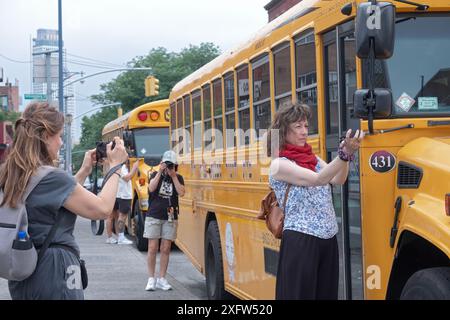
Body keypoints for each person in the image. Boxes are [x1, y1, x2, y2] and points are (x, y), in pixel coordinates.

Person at [0, 102, 128, 300]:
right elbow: (102, 209)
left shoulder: (13, 173)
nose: (60, 143)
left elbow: (58, 200)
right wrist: (116, 166)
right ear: (45, 137)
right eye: (59, 136)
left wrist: (84, 171)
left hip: (25, 270)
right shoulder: (51, 178)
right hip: (55, 269)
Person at [268, 102, 364, 300]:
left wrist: (347, 154)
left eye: (305, 126)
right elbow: (318, 179)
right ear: (284, 131)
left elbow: (338, 179)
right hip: (301, 239)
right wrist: (344, 156)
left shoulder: (313, 159)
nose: (304, 132)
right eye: (298, 127)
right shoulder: (279, 164)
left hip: (328, 238)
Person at [144, 150, 185, 291]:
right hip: (154, 215)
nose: (168, 167)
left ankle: (162, 278)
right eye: (166, 164)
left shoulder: (178, 177)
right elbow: (151, 188)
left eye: (171, 165)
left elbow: (182, 192)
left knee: (166, 249)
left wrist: (173, 176)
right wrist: (160, 172)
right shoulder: (155, 175)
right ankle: (151, 278)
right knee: (152, 248)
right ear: (161, 163)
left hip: (170, 217)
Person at [105, 160, 139, 244]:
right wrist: (135, 168)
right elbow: (127, 178)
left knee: (114, 217)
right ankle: (120, 237)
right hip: (123, 195)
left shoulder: (115, 167)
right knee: (122, 216)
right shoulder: (122, 167)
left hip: (116, 194)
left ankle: (112, 237)